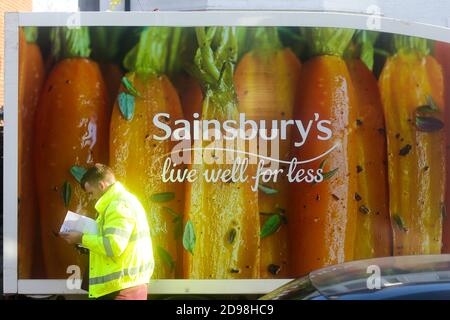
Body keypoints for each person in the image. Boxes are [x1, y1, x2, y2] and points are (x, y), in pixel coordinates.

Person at [60, 163, 154, 300]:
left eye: (91, 193)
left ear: (102, 185)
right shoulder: (118, 203)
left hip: (121, 287)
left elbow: (113, 246)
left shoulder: (117, 206)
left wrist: (81, 239)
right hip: (123, 285)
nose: (91, 198)